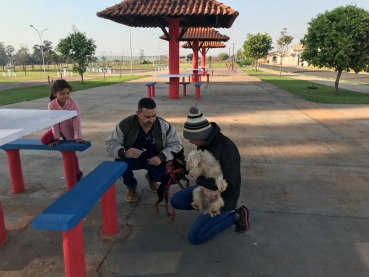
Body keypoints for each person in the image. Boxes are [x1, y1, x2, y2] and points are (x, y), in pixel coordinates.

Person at [170, 106, 249, 245]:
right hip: (206, 188)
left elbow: (229, 187)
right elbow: (200, 168)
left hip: (224, 197)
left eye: (192, 140)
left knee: (195, 238)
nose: (191, 143)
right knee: (176, 200)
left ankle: (237, 215)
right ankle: (206, 213)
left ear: (201, 136)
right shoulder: (204, 143)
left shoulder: (228, 149)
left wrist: (201, 180)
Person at [105, 98, 182, 203]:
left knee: (169, 175)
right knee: (120, 164)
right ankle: (131, 187)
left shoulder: (163, 125)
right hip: (132, 159)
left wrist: (162, 157)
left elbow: (176, 145)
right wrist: (124, 152)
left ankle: (151, 177)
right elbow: (110, 144)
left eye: (154, 116)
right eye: (147, 117)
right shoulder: (126, 124)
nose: (151, 120)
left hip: (154, 159)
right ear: (138, 113)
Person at [40, 79, 85, 181]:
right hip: (58, 129)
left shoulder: (73, 104)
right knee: (44, 140)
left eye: (68, 93)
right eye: (62, 94)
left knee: (71, 152)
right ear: (55, 94)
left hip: (70, 129)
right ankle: (60, 144)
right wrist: (56, 138)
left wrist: (77, 137)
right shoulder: (52, 105)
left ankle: (78, 173)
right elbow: (54, 122)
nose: (65, 96)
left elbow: (76, 122)